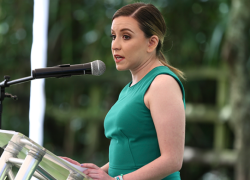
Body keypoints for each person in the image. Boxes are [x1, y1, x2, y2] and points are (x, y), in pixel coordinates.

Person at [62, 2, 185, 180]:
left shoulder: (162, 84)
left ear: (151, 43)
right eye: (113, 36)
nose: (115, 45)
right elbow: (133, 152)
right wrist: (91, 172)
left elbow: (172, 160)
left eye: (126, 37)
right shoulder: (129, 89)